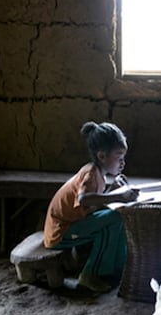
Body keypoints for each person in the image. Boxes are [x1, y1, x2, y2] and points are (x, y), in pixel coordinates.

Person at [43, 121, 139, 293]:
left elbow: (95, 202)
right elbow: (83, 199)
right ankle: (90, 275)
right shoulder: (90, 174)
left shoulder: (99, 173)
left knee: (115, 218)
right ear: (102, 156)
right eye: (119, 157)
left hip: (73, 224)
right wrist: (118, 196)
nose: (122, 163)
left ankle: (116, 269)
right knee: (114, 218)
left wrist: (112, 189)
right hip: (61, 232)